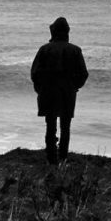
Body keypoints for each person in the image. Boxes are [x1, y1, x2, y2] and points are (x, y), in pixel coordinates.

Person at [31, 17, 88, 166]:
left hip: (48, 93)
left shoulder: (44, 49)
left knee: (50, 127)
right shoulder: (75, 50)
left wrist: (40, 89)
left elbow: (35, 73)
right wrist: (75, 86)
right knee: (65, 127)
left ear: (54, 31)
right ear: (67, 32)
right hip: (68, 93)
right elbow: (83, 74)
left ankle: (51, 160)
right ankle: (63, 159)